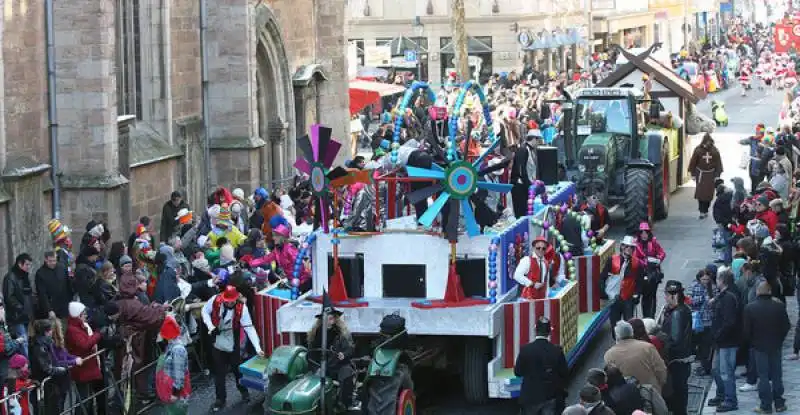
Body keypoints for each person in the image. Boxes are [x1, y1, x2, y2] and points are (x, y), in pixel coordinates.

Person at [201, 285, 264, 412]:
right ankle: (220, 399)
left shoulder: (242, 308)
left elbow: (249, 327)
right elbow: (204, 311)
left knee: (237, 368)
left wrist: (257, 348)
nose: (229, 303)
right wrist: (210, 326)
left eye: (232, 301)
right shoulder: (215, 300)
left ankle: (244, 392)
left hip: (232, 338)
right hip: (217, 337)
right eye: (227, 301)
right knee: (219, 372)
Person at [743, 281, 789, 413]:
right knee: (776, 375)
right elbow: (786, 326)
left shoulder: (750, 308)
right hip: (775, 345)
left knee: (762, 376)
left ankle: (765, 405)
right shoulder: (779, 306)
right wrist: (779, 339)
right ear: (770, 291)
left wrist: (753, 342)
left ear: (757, 291)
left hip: (759, 346)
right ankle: (779, 402)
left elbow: (746, 331)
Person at [306, 301, 357, 411]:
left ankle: (346, 404)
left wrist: (344, 354)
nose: (330, 321)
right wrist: (316, 366)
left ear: (335, 319)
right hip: (320, 365)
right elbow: (312, 352)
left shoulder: (341, 333)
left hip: (339, 365)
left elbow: (350, 348)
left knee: (346, 374)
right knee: (310, 378)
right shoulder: (315, 334)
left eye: (332, 318)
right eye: (327, 318)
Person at [514, 317, 568, 414]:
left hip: (530, 396)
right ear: (549, 332)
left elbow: (518, 372)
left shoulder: (525, 349)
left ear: (535, 330)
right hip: (551, 395)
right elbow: (564, 373)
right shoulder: (556, 351)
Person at [708, 268, 741, 412]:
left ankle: (730, 400)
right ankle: (722, 394)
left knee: (726, 372)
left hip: (727, 342)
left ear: (721, 281)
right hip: (721, 341)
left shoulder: (728, 298)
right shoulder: (724, 296)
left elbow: (729, 322)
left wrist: (719, 335)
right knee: (717, 369)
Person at [604, 320, 667, 394]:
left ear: (617, 335)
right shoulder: (647, 347)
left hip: (629, 396)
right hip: (652, 392)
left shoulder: (609, 355)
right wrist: (660, 385)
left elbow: (611, 380)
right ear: (632, 332)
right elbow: (660, 369)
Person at [659, 280, 693, 415]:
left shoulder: (677, 313)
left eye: (667, 294)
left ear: (673, 296)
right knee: (681, 393)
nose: (665, 297)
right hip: (683, 359)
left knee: (678, 394)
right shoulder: (682, 309)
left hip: (676, 361)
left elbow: (674, 340)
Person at [65, 302, 104, 415]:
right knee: (83, 399)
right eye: (83, 313)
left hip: (86, 367)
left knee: (86, 398)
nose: (86, 315)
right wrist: (97, 335)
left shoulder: (79, 327)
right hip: (82, 368)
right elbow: (84, 345)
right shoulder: (73, 330)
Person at [600, 236, 641, 337]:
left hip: (628, 299)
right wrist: (604, 293)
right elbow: (602, 277)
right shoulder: (612, 260)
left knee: (629, 326)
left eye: (632, 247)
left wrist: (637, 294)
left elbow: (639, 281)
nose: (629, 249)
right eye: (627, 247)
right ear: (622, 246)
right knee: (615, 327)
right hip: (614, 298)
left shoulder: (637, 263)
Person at [156, 315, 191, 415]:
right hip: (173, 391)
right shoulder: (172, 345)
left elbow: (179, 375)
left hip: (177, 393)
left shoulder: (177, 350)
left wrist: (175, 394)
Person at [514, 236, 566, 300]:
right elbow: (517, 275)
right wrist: (532, 284)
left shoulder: (545, 263)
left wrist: (546, 298)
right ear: (533, 248)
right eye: (538, 248)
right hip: (527, 299)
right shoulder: (527, 260)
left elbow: (546, 284)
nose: (541, 250)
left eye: (543, 248)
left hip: (541, 299)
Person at [3, 254, 33, 357]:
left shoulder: (25, 276)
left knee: (26, 342)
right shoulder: (10, 277)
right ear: (20, 264)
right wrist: (21, 308)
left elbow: (28, 295)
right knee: (22, 343)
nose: (29, 267)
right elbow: (9, 297)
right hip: (17, 317)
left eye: (30, 265)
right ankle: (26, 369)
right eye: (27, 264)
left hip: (25, 316)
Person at [633, 222, 666, 318]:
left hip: (653, 273)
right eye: (642, 233)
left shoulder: (654, 242)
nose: (644, 235)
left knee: (652, 296)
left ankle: (651, 316)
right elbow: (634, 258)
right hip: (641, 274)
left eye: (646, 232)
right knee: (644, 296)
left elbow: (662, 253)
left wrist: (659, 259)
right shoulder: (636, 244)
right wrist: (643, 262)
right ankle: (646, 317)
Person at [690, 268, 718, 376]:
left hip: (709, 320)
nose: (705, 281)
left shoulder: (714, 288)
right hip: (697, 319)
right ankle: (701, 362)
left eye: (707, 279)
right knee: (699, 344)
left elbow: (716, 302)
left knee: (706, 345)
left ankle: (706, 367)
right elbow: (690, 300)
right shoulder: (694, 286)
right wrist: (702, 298)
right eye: (703, 279)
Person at [688, 133, 723, 219]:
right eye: (705, 142)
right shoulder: (698, 150)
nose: (707, 144)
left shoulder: (715, 151)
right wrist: (692, 174)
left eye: (708, 142)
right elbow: (693, 162)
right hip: (700, 174)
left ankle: (706, 209)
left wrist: (717, 175)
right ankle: (701, 211)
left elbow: (718, 164)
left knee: (709, 195)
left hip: (711, 175)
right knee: (700, 194)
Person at [510, 126, 540, 218]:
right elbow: (521, 170)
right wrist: (528, 185)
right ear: (534, 139)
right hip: (520, 187)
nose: (539, 142)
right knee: (521, 213)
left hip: (525, 186)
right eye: (538, 140)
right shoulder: (523, 150)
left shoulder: (530, 151)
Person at [35, 251, 73, 321]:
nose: (53, 263)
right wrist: (49, 310)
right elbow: (42, 294)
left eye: (54, 260)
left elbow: (68, 285)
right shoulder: (40, 273)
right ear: (45, 260)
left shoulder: (62, 268)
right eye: (50, 261)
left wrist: (70, 300)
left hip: (64, 306)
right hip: (51, 308)